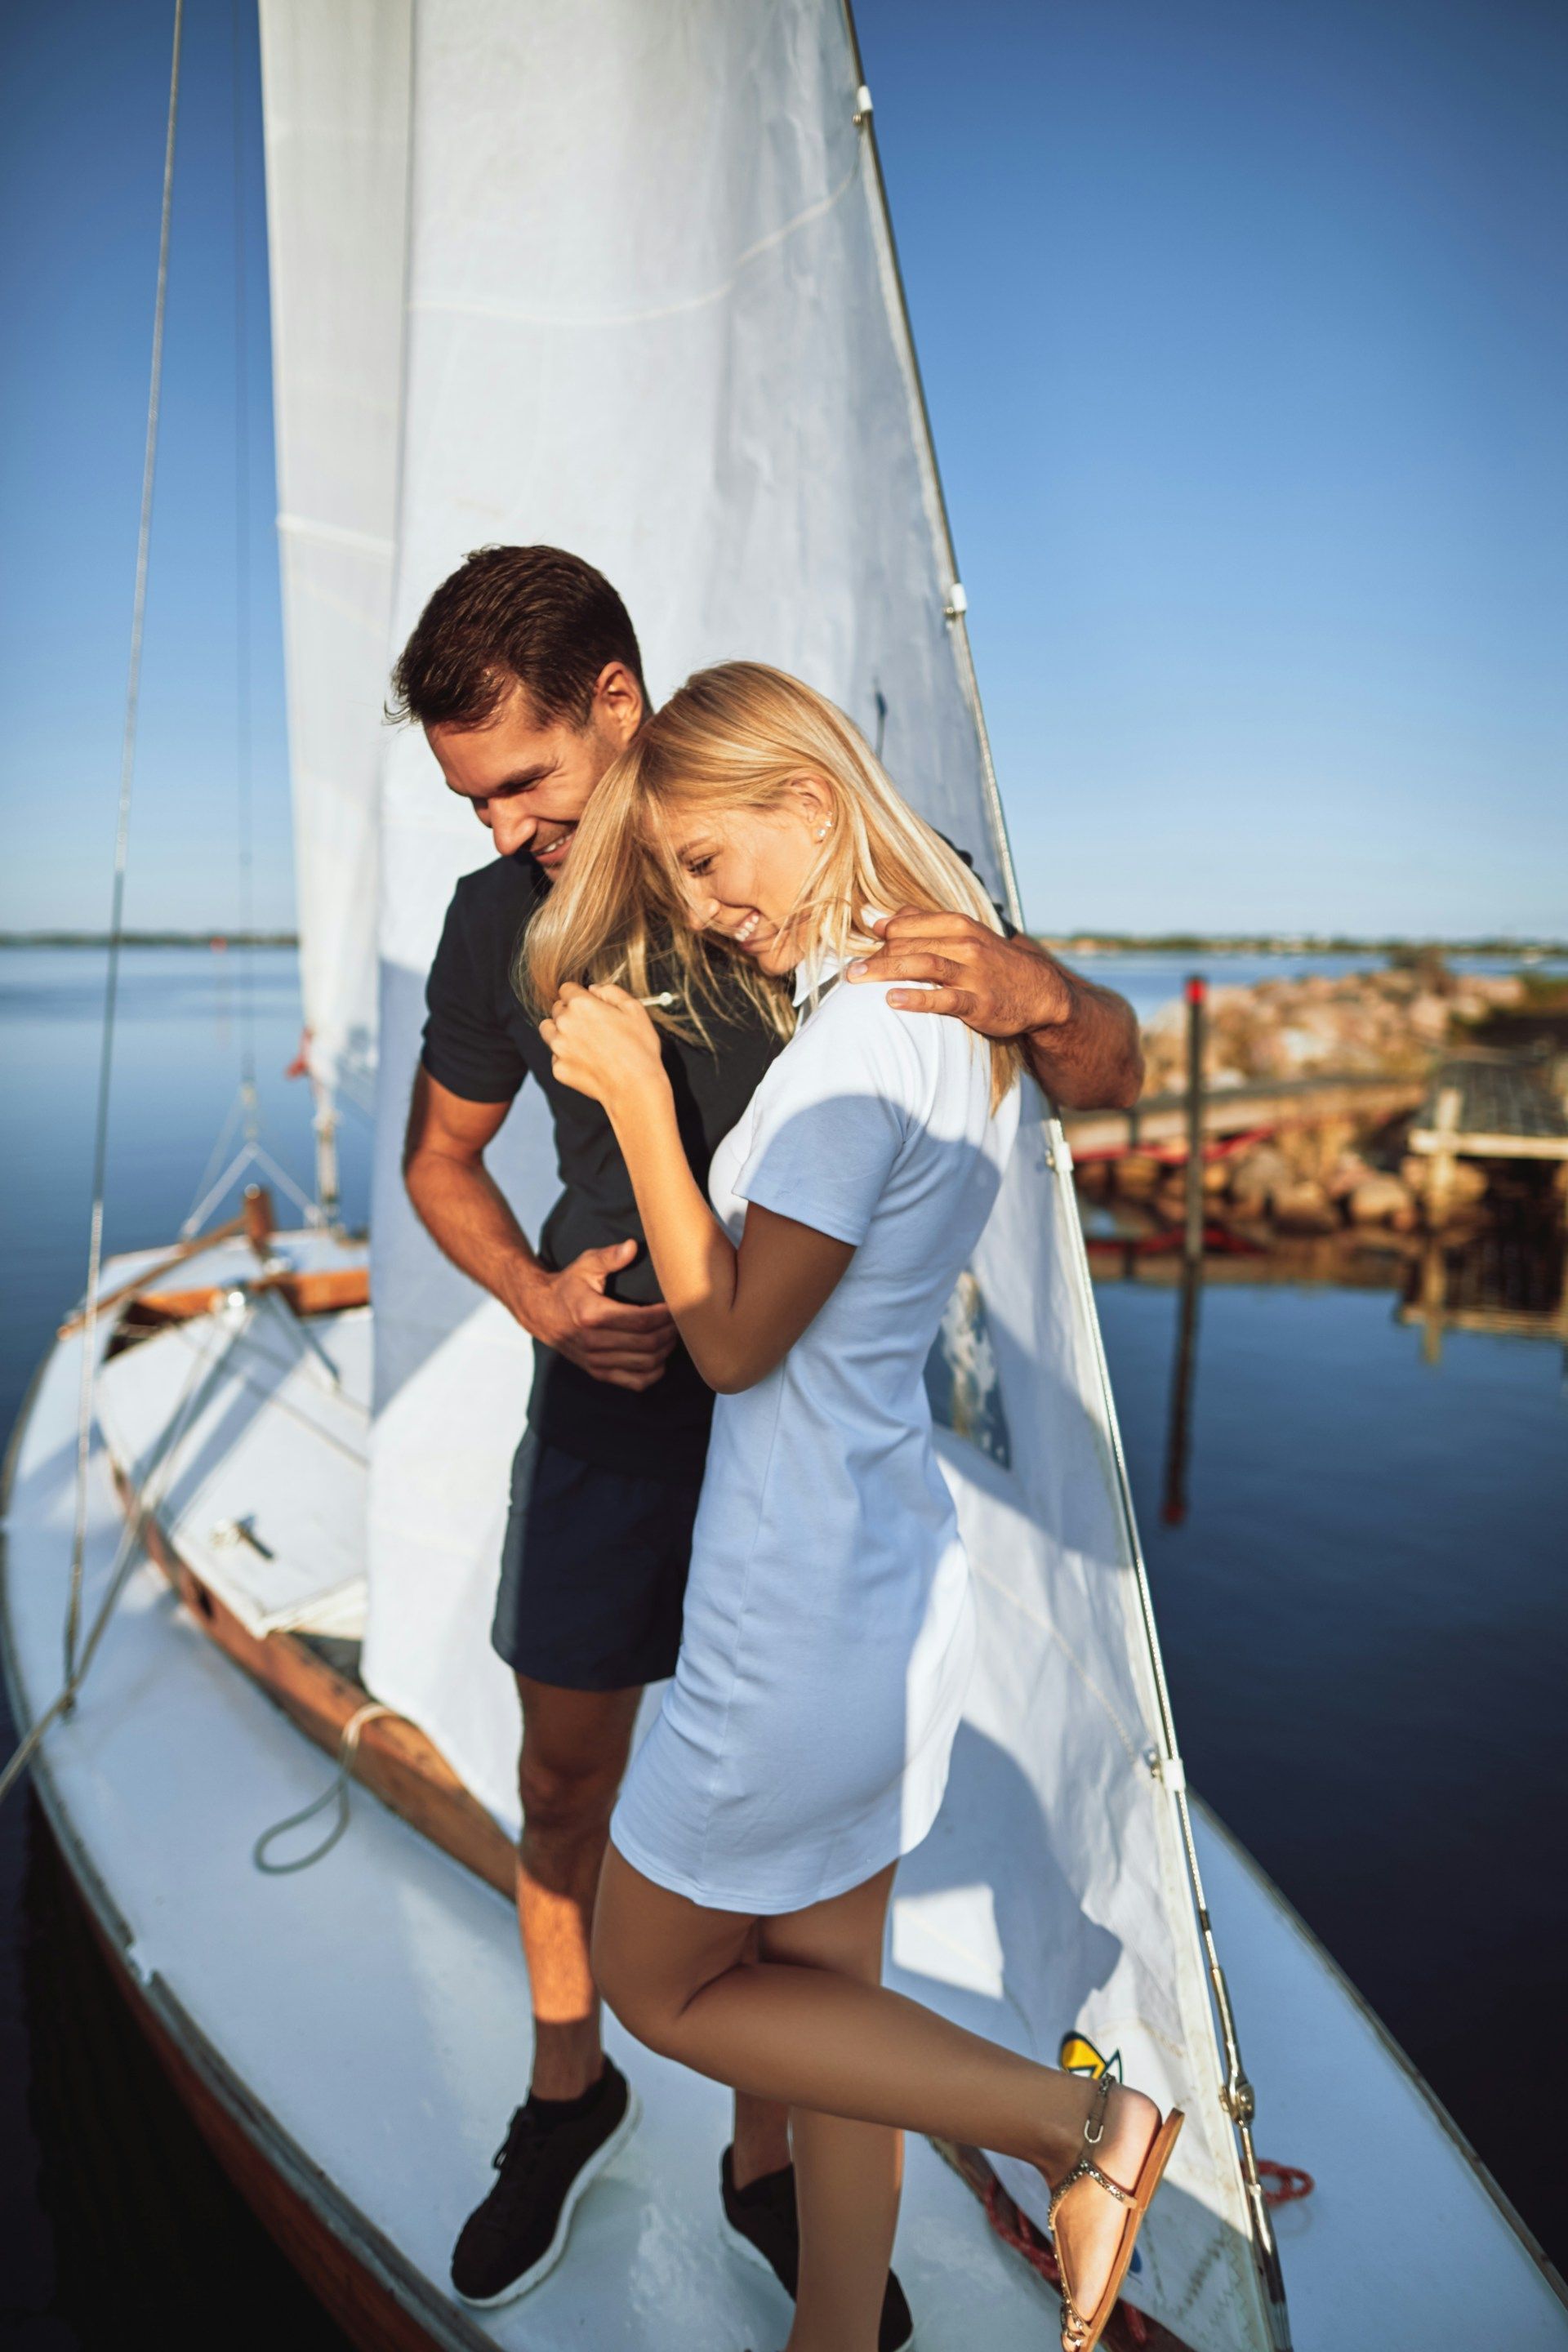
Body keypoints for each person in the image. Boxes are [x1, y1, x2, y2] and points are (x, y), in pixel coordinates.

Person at [392, 546, 1144, 2325]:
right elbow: (437, 1166)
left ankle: (770, 2161)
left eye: (525, 780)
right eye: (471, 797)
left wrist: (1041, 992)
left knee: (791, 1914)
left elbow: (1103, 1063)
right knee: (569, 1784)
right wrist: (538, 1302)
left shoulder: (820, 877)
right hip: (615, 1422)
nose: (504, 829)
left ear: (619, 710)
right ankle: (567, 2095)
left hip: (787, 1456)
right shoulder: (499, 922)